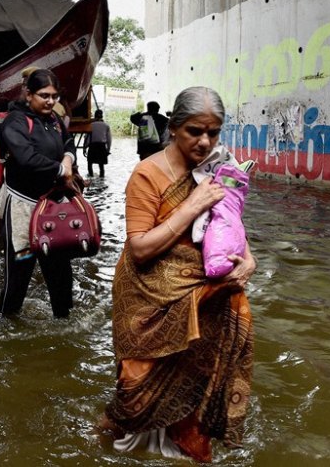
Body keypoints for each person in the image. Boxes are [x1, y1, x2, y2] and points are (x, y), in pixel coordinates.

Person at [100, 87, 256, 462]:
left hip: (202, 293)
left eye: (213, 132)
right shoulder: (147, 174)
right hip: (147, 298)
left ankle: (185, 446)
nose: (205, 142)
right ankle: (107, 436)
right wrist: (191, 206)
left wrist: (248, 260)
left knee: (196, 387)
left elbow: (231, 222)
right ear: (173, 128)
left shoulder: (221, 169)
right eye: (194, 131)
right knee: (135, 395)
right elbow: (139, 249)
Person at [0, 68, 76, 318]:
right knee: (19, 273)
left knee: (60, 272)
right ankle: (7, 325)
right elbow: (26, 158)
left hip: (54, 208)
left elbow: (68, 142)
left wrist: (68, 158)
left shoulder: (54, 120)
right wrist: (60, 169)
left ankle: (64, 323)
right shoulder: (15, 121)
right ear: (28, 94)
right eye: (44, 95)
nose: (51, 101)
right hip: (23, 206)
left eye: (54, 96)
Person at [83, 109, 112, 177]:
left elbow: (87, 138)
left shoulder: (90, 125)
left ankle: (91, 176)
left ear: (95, 116)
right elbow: (109, 139)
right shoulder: (106, 126)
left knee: (89, 164)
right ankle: (101, 178)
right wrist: (108, 150)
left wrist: (84, 148)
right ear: (102, 116)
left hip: (92, 146)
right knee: (101, 166)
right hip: (101, 147)